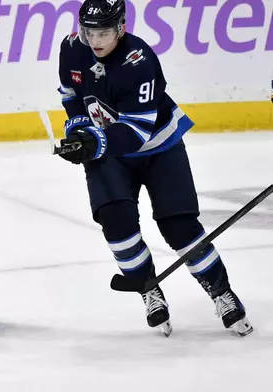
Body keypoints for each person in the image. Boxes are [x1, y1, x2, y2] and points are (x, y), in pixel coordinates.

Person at [55, 0, 252, 336]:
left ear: (120, 28)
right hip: (109, 152)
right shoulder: (72, 50)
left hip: (160, 147)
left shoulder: (139, 60)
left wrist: (95, 142)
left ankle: (222, 294)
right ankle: (149, 290)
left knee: (180, 227)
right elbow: (72, 95)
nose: (96, 40)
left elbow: (136, 131)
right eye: (90, 32)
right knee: (116, 225)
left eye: (103, 32)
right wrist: (77, 130)